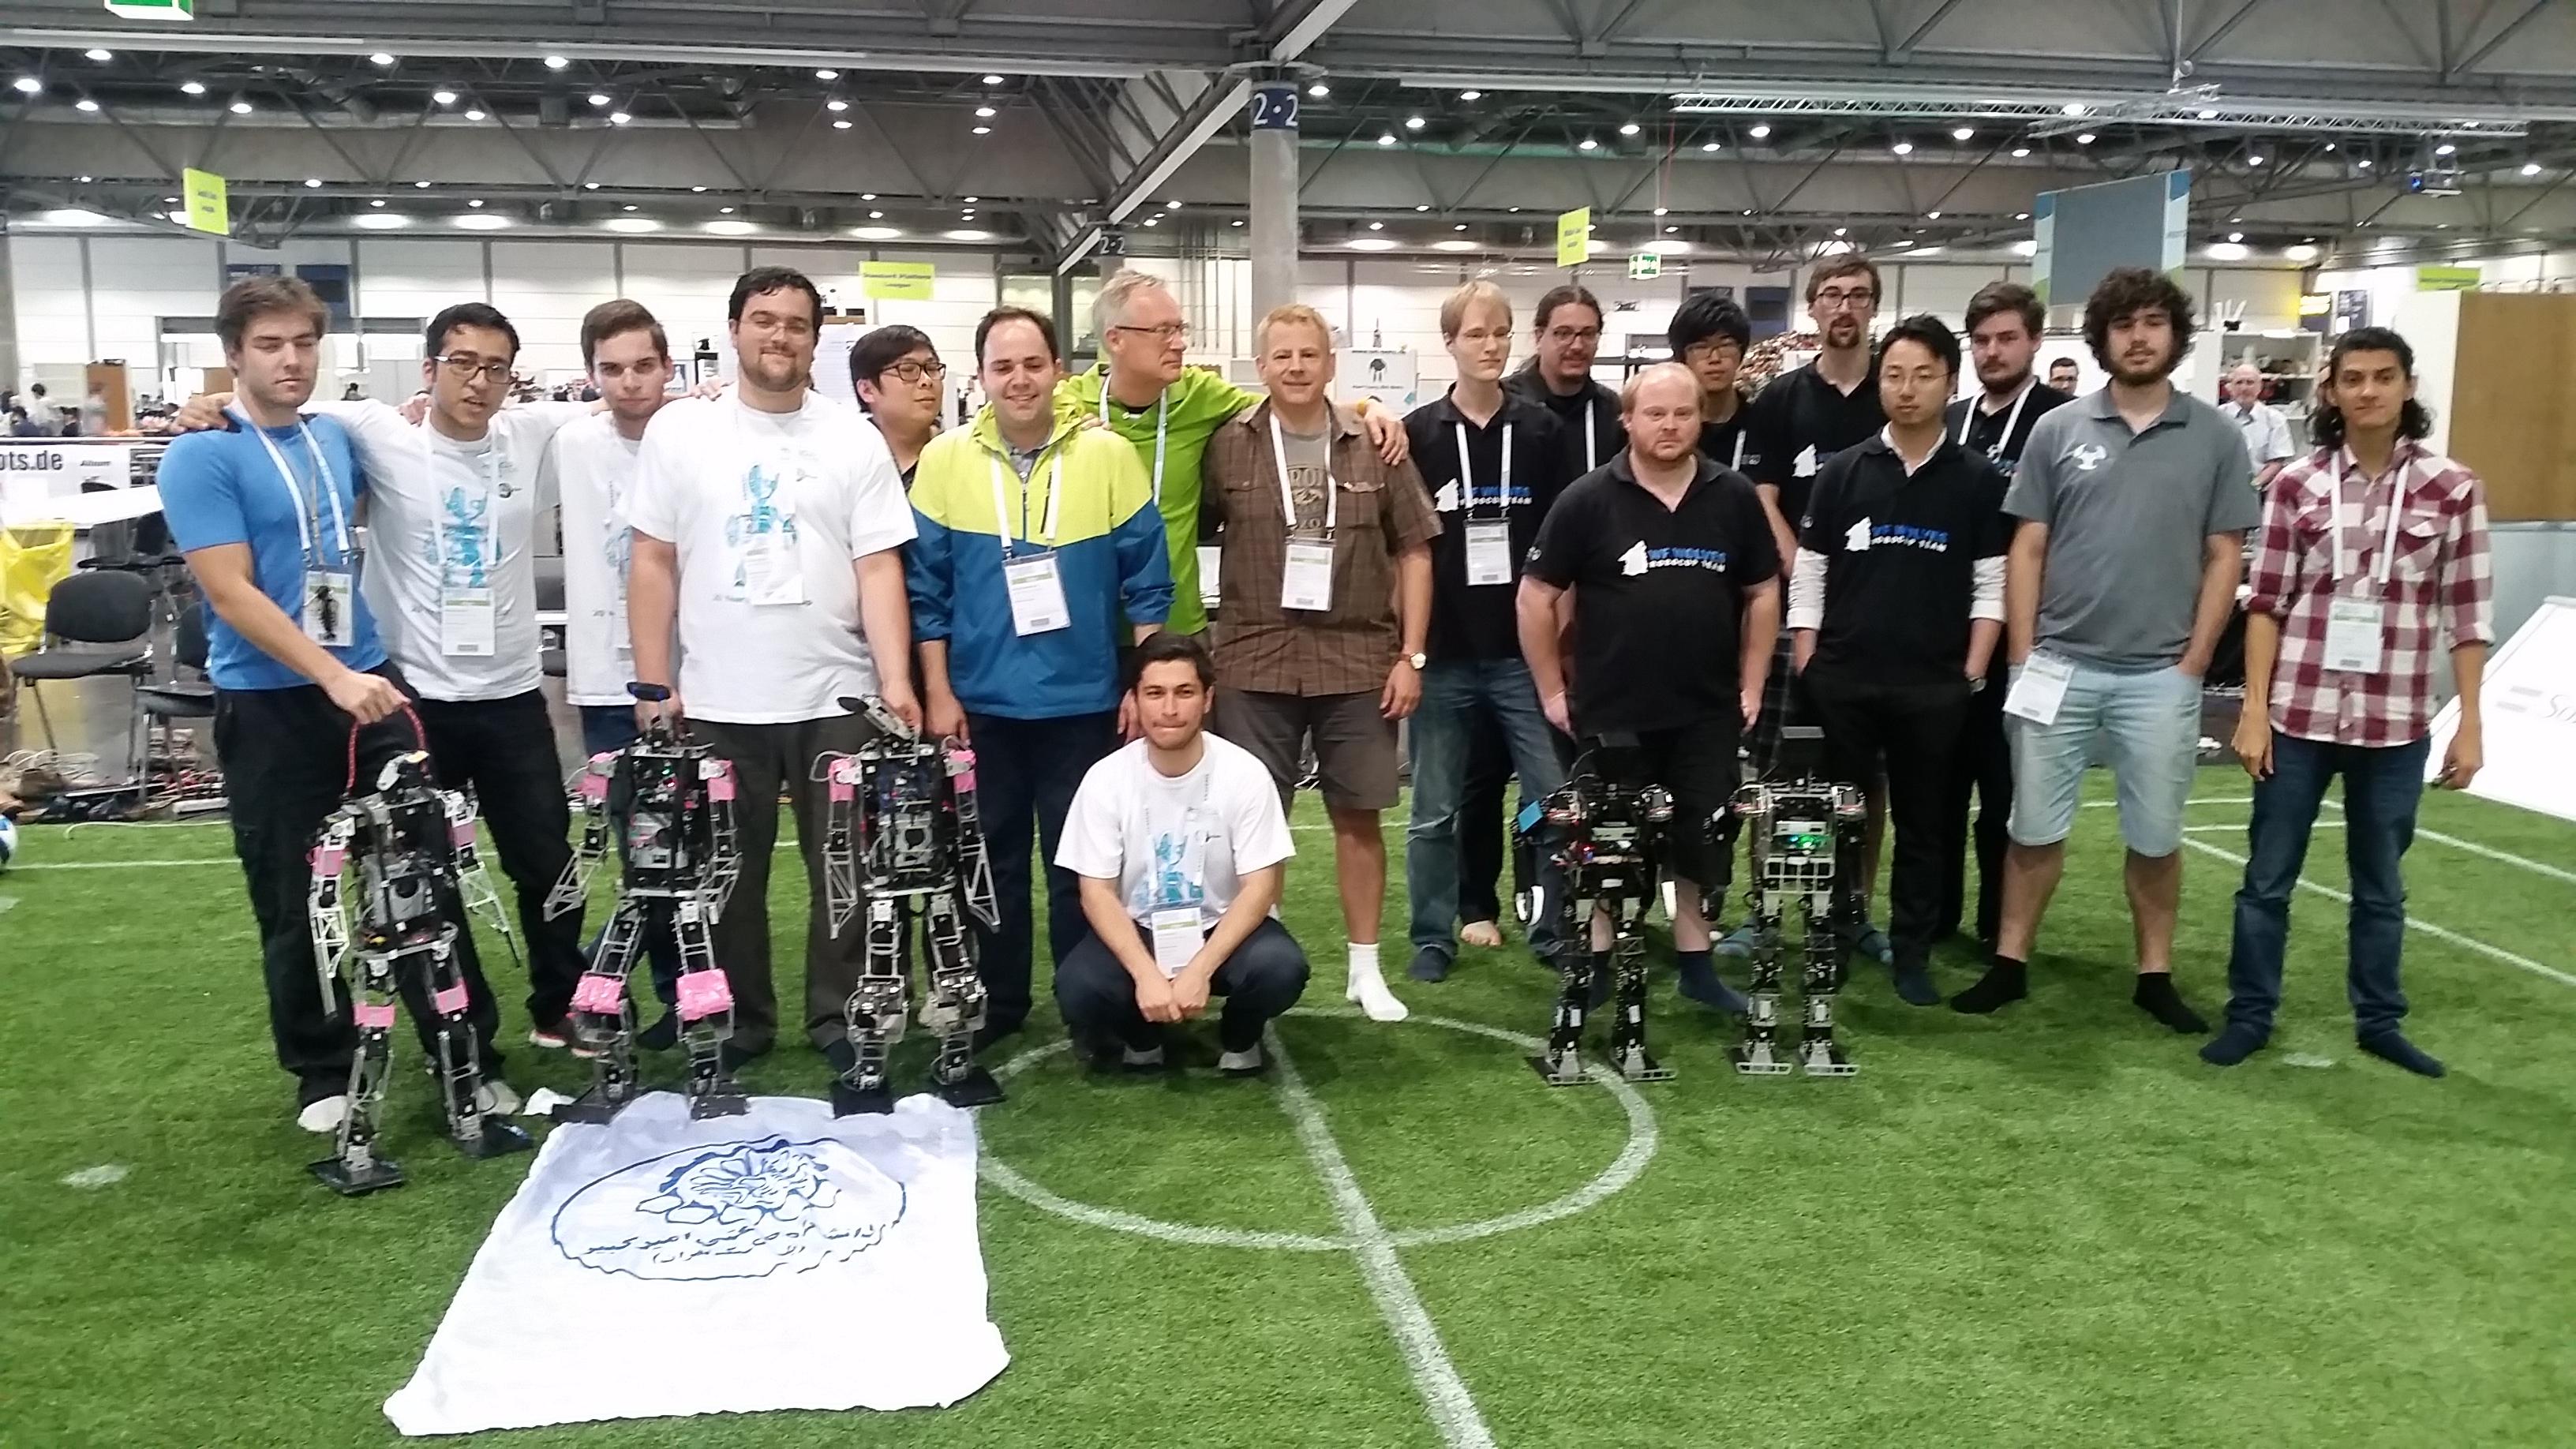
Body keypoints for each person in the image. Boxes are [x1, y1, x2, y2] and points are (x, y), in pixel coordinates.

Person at [179, 302, 601, 1049]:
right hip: (405, 695)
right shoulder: (369, 430)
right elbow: (262, 407)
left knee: (545, 860)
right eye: (462, 363)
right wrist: (208, 402)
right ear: (430, 369)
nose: (478, 380)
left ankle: (556, 1005)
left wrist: (698, 392)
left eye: (495, 368)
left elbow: (623, 398)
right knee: (410, 877)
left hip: (503, 694)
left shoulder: (529, 431)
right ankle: (450, 1042)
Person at [160, 276, 514, 1132]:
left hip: (367, 686)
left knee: (427, 878)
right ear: (234, 354)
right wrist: (331, 675)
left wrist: (353, 676)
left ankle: (463, 1052)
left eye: (304, 343)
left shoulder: (333, 436)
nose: (290, 360)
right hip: (274, 704)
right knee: (297, 897)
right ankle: (321, 1069)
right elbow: (230, 592)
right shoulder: (201, 455)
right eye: (269, 345)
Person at [627, 265, 919, 1088]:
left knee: (847, 872)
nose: (779, 336)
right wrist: (654, 682)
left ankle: (842, 1015)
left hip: (836, 693)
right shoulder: (680, 432)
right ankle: (739, 1019)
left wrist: (896, 679)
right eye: (764, 320)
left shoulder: (853, 438)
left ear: (815, 341)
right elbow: (652, 559)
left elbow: (877, 565)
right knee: (724, 875)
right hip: (720, 696)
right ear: (734, 329)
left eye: (796, 324)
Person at [1950, 267, 2260, 1030]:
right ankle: (2010, 962)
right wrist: (2024, 654)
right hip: (2056, 666)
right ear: (2101, 338)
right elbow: (2028, 546)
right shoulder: (2058, 430)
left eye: (2154, 322)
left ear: (2176, 336)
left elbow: (2225, 555)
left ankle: (2154, 975)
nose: (2139, 337)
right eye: (2124, 324)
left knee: (2155, 839)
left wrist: (2195, 662)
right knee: (2031, 830)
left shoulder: (2216, 437)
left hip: (2160, 676)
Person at [2206, 327, 2492, 1076]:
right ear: (2330, 390)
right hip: (2298, 716)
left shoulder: (2453, 487)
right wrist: (2253, 711)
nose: (2368, 391)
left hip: (2397, 724)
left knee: (2382, 887)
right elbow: (2265, 605)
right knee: (2266, 880)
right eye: (2354, 378)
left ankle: (2380, 1020)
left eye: (2384, 377)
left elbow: (2468, 617)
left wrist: (2469, 725)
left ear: (2407, 386)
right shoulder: (2297, 485)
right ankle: (2250, 1015)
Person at [907, 305, 1174, 1051]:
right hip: (980, 705)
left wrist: (1143, 685)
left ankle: (1088, 1005)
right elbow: (927, 591)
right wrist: (938, 691)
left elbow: (1148, 583)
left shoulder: (1109, 454)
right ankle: (997, 1004)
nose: (1019, 380)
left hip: (1084, 703)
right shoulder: (944, 460)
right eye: (1003, 367)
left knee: (1081, 865)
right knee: (987, 863)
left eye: (1033, 364)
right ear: (981, 376)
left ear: (1059, 370)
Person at [1203, 302, 1439, 1024]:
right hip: (1254, 657)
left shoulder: (1377, 444)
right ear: (1261, 367)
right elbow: (1189, 530)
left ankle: (1365, 969)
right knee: (1253, 825)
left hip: (1357, 657)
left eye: (1309, 354)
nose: (1297, 367)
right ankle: (1259, 962)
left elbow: (1415, 550)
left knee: (1358, 816)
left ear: (1332, 364)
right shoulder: (1227, 445)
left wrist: (1411, 655)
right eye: (1282, 355)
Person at [1519, 363, 1779, 1012]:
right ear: (1628, 420)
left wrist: (1751, 686)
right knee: (1609, 845)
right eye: (1655, 414)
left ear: (1701, 419)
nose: (1670, 426)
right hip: (1614, 713)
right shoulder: (1587, 499)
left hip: (1706, 711)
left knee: (1700, 841)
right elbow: (1534, 597)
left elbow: (1763, 592)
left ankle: (1696, 966)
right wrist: (1552, 692)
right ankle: (1599, 965)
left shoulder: (1734, 496)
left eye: (1683, 414)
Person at [1789, 316, 2009, 1005]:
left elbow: (1991, 584)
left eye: (1923, 376)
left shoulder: (1977, 480)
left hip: (1933, 687)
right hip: (1843, 681)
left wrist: (1971, 673)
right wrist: (1808, 660)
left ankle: (1911, 952)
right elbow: (1811, 573)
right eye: (1894, 375)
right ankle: (1831, 939)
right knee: (1837, 823)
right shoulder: (1843, 472)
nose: (1907, 389)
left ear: (1950, 382)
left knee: (1924, 826)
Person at [1056, 270, 1405, 637]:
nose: (1180, 343)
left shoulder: (1201, 396)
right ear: (1116, 339)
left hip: (1176, 622)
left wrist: (1368, 407)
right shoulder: (1068, 406)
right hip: (1091, 625)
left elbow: (1291, 406)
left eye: (1181, 329)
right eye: (1163, 331)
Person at [1400, 281, 1570, 983]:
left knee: (1553, 804)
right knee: (1434, 812)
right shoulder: (1415, 434)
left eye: (1500, 333)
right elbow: (1402, 547)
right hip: (1443, 654)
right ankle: (1432, 935)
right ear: (1449, 343)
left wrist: (1561, 645)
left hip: (1522, 657)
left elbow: (1566, 548)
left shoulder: (1542, 432)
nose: (1490, 346)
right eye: (1475, 334)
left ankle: (1553, 928)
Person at [1052, 632, 1308, 1075]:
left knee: (1280, 968)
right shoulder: (1105, 779)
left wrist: (1200, 970)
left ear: (1207, 699)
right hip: (1141, 927)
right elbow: (1096, 892)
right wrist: (1146, 974)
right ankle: (1143, 1037)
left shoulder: (1245, 773)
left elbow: (1260, 887)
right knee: (1079, 988)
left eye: (1184, 692)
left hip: (1223, 926)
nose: (1169, 709)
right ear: (1134, 701)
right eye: (1155, 693)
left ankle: (1240, 1035)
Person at [1735, 253, 1893, 961]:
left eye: (1857, 295)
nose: (1844, 306)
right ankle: (1764, 913)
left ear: (1873, 307)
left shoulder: (1893, 392)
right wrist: (1803, 567)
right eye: (1831, 294)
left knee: (1864, 777)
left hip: (1871, 620)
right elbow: (1762, 495)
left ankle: (1853, 911)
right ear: (1813, 308)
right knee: (1774, 770)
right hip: (1794, 612)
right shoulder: (1779, 399)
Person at [540, 298, 685, 1043]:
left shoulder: (698, 435)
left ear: (668, 367)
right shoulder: (567, 438)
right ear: (590, 374)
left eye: (643, 366)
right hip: (606, 684)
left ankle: (685, 994)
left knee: (696, 849)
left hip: (693, 677)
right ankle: (634, 987)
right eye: (612, 369)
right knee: (641, 851)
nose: (629, 382)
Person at [1938, 282, 2075, 949]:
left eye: (2007, 339)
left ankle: (1999, 928)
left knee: (2006, 795)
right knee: (1939, 791)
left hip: (2029, 641)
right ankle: (1934, 921)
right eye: (1982, 341)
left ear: (2035, 342)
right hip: (1948, 635)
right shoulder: (1949, 419)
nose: (1993, 352)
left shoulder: (2064, 421)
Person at [1505, 283, 1626, 477]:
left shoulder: (1612, 411)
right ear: (1539, 337)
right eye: (1563, 333)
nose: (1577, 345)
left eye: (1588, 334)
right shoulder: (1504, 403)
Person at [1672, 290, 1757, 471]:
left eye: (1726, 345)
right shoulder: (1669, 429)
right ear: (1681, 356)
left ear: (1741, 352)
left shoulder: (1765, 425)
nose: (1715, 358)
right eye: (1701, 347)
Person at [849, 324, 944, 485]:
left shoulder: (959, 454)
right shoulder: (845, 459)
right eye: (908, 370)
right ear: (867, 390)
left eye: (932, 368)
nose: (927, 380)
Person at [2224, 361, 2299, 492]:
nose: (2244, 388)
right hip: (2222, 491)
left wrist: (2253, 487)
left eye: (2250, 382)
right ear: (2230, 387)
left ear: (2260, 387)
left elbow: (2276, 462)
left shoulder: (2275, 419)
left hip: (2259, 491)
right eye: (2239, 382)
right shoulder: (2218, 417)